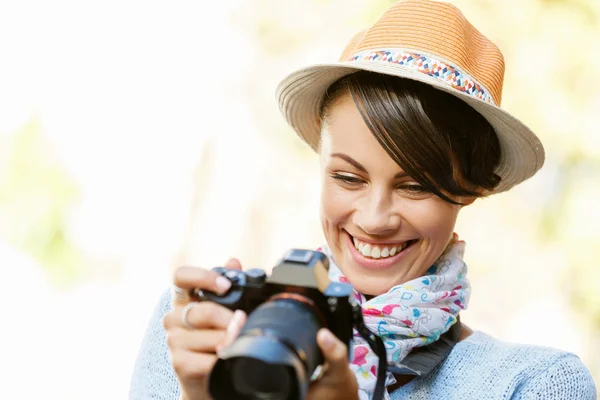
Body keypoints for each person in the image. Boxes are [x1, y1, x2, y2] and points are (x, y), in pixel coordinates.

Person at [129, 1, 597, 399]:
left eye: (415, 186)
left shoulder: (531, 385)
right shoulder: (199, 334)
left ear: (467, 191)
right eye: (348, 177)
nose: (374, 220)